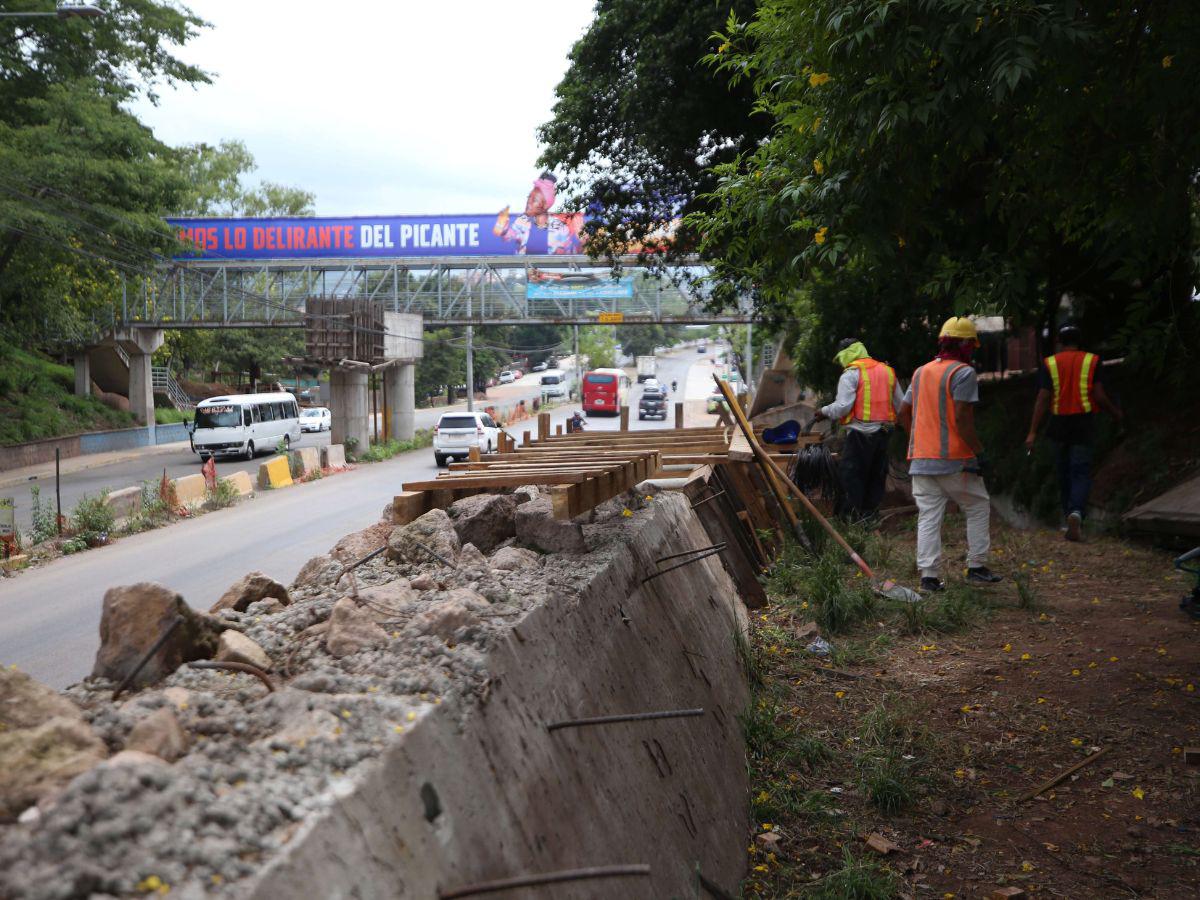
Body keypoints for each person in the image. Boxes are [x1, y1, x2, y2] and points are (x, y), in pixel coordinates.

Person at [898, 317, 1002, 592]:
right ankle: (977, 567)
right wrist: (981, 453)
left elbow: (902, 413)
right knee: (978, 506)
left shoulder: (921, 372)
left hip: (921, 461)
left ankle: (929, 578)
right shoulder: (963, 373)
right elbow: (962, 419)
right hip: (955, 461)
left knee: (929, 516)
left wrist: (916, 440)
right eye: (972, 344)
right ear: (966, 344)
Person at [1024, 323, 1122, 541]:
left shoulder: (1050, 363)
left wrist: (1032, 432)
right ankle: (1076, 513)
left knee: (1063, 472)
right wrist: (1115, 413)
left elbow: (1042, 398)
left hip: (1058, 424)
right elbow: (1099, 395)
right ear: (1080, 340)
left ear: (1059, 341)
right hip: (1083, 423)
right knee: (1080, 471)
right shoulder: (1092, 360)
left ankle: (1069, 516)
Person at [811, 339, 903, 521]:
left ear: (848, 353)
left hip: (860, 436)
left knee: (851, 479)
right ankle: (868, 521)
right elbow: (900, 406)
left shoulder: (852, 373)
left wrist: (823, 411)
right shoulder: (887, 371)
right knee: (875, 479)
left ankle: (849, 523)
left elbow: (842, 407)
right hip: (883, 435)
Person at [493, 173, 577, 255]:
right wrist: (504, 230)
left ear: (545, 205)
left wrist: (563, 252)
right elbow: (509, 237)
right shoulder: (522, 221)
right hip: (524, 267)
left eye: (534, 200)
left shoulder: (559, 227)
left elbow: (570, 252)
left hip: (549, 269)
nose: (529, 202)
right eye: (529, 197)